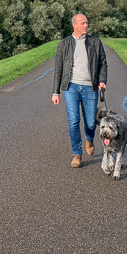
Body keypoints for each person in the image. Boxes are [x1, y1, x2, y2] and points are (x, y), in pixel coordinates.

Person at [51, 13, 107, 168]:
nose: (86, 25)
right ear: (74, 25)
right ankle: (77, 154)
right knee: (73, 120)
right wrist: (56, 92)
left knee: (90, 122)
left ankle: (89, 139)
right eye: (82, 23)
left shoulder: (95, 42)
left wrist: (102, 81)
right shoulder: (64, 44)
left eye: (87, 23)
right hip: (71, 87)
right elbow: (59, 69)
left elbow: (103, 63)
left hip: (90, 87)